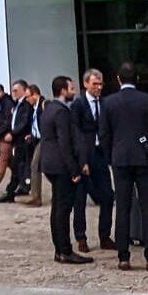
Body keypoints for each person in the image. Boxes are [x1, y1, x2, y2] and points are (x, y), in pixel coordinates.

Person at [102, 65, 148, 270]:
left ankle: (123, 256)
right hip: (143, 157)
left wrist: (111, 153)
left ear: (118, 79)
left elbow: (104, 133)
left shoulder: (108, 102)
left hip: (120, 158)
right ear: (137, 78)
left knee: (122, 207)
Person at [38, 75, 89, 263]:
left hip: (51, 164)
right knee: (63, 209)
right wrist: (74, 170)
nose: (74, 92)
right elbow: (64, 143)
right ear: (63, 91)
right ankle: (65, 250)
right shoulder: (60, 112)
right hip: (60, 166)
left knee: (57, 207)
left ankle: (60, 249)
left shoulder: (49, 109)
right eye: (71, 88)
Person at [75, 68, 114, 251]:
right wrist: (81, 160)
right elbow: (75, 133)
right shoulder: (78, 105)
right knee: (80, 199)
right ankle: (81, 237)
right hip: (84, 155)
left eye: (100, 84)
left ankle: (105, 235)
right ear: (85, 84)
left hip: (101, 154)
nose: (98, 87)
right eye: (94, 84)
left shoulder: (105, 104)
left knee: (107, 196)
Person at [6, 81, 40, 203]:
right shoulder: (16, 105)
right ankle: (19, 187)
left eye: (16, 90)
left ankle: (17, 188)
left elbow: (24, 122)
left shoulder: (26, 105)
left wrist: (13, 133)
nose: (13, 93)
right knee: (19, 165)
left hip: (24, 139)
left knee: (25, 164)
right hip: (18, 140)